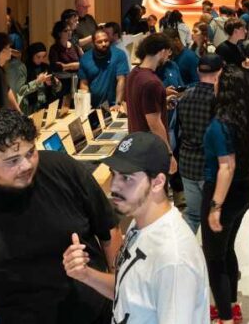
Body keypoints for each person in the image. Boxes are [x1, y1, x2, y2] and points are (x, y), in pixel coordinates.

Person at [0, 109, 120, 324]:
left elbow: (108, 228)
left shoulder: (64, 168)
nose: (26, 165)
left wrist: (118, 286)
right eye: (12, 160)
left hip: (90, 313)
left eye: (31, 152)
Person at [62, 131, 209, 323]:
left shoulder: (174, 260)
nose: (114, 186)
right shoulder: (140, 222)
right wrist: (86, 274)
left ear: (157, 183)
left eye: (127, 178)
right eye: (114, 174)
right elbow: (129, 292)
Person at [202, 66, 249, 324]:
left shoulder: (220, 125)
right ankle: (232, 306)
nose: (213, 83)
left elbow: (227, 167)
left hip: (222, 193)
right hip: (245, 189)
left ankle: (225, 317)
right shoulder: (246, 118)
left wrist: (215, 207)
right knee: (226, 249)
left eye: (217, 80)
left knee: (214, 257)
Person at [176, 54, 224, 233]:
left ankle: (184, 247)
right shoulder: (220, 99)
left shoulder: (184, 96)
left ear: (198, 71)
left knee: (193, 215)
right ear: (220, 72)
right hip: (211, 167)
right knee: (214, 216)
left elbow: (178, 130)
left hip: (187, 163)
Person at [124, 34, 176, 167]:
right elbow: (155, 124)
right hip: (151, 152)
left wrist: (162, 103)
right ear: (162, 51)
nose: (168, 57)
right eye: (168, 53)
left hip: (136, 146)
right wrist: (168, 155)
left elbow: (138, 105)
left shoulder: (133, 73)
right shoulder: (152, 82)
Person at [78, 29, 128, 111]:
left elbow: (121, 80)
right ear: (93, 43)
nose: (104, 44)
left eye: (106, 40)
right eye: (99, 42)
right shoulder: (85, 58)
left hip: (113, 106)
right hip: (93, 107)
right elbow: (84, 84)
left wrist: (118, 103)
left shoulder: (119, 54)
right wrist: (85, 106)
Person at [14, 42, 61, 114]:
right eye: (38, 57)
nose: (41, 60)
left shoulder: (45, 67)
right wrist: (38, 81)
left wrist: (55, 83)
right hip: (30, 107)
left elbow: (57, 89)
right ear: (32, 55)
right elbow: (21, 91)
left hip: (45, 104)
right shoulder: (24, 68)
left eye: (43, 57)